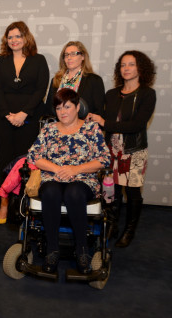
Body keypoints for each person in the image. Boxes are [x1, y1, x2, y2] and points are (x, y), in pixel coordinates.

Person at [27, 88, 110, 274]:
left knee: (73, 193)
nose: (62, 112)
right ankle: (52, 250)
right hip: (53, 177)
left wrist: (75, 169)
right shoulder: (48, 129)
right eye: (58, 108)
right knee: (50, 192)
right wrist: (57, 169)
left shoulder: (91, 129)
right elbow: (33, 156)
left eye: (67, 107)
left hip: (83, 179)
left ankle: (81, 250)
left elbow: (104, 159)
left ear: (77, 107)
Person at [88, 50, 156, 248]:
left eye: (131, 64)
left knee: (133, 193)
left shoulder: (147, 94)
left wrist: (104, 122)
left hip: (134, 152)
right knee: (112, 192)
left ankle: (129, 230)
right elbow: (102, 121)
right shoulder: (111, 94)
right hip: (111, 151)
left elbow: (136, 125)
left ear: (140, 68)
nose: (126, 68)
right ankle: (113, 225)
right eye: (123, 65)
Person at [0, 21, 49, 192]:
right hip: (4, 120)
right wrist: (8, 115)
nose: (14, 40)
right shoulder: (1, 61)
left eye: (18, 36)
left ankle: (25, 202)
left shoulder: (39, 60)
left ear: (26, 37)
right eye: (10, 37)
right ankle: (5, 202)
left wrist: (24, 114)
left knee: (27, 161)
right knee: (5, 161)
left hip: (29, 119)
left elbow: (41, 89)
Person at [45, 41, 105, 117]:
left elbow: (99, 111)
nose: (69, 58)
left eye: (73, 54)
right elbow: (48, 109)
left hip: (84, 126)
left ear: (83, 56)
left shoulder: (94, 80)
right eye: (66, 55)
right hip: (58, 126)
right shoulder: (56, 80)